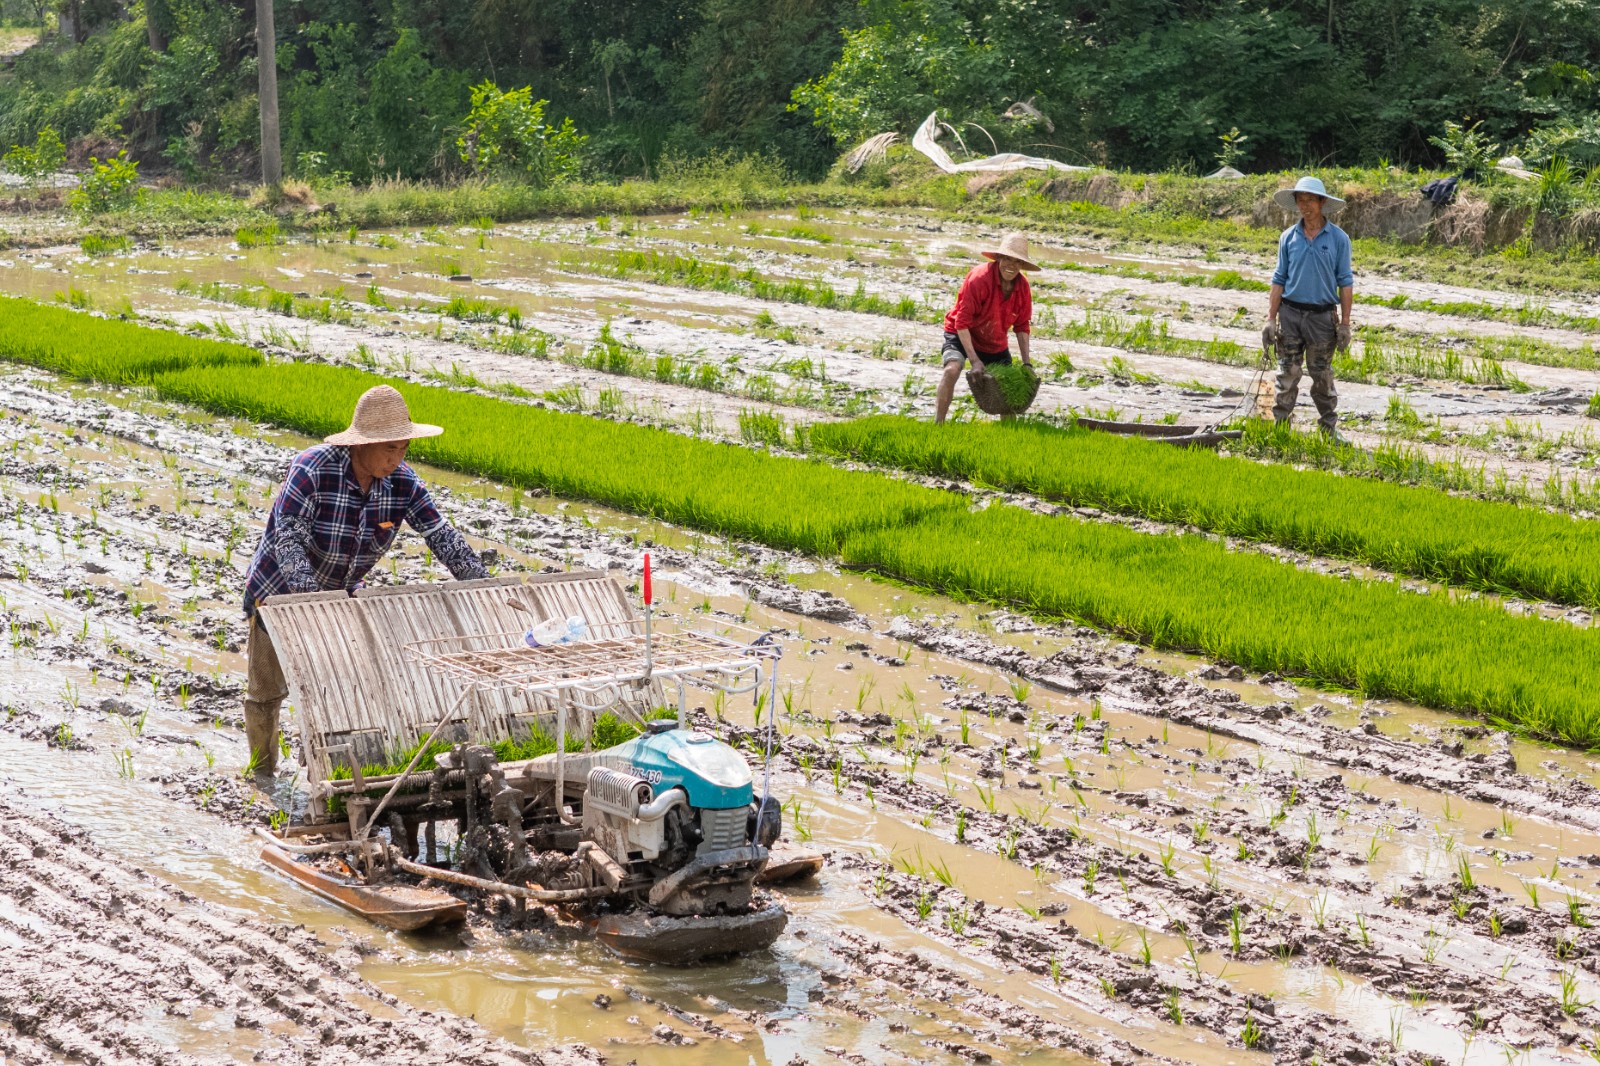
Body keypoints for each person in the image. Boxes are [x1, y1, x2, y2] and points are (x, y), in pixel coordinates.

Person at [240, 385, 489, 781]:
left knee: (335, 684)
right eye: (389, 448)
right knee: (267, 691)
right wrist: (313, 603)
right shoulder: (313, 469)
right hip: (280, 593)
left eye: (403, 449)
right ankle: (262, 773)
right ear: (362, 444)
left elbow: (440, 535)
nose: (396, 458)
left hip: (340, 594)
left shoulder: (403, 483)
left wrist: (482, 584)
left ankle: (327, 771)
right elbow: (286, 539)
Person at [1267, 176, 1354, 436]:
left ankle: (1328, 428)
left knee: (1321, 375)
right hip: (1291, 314)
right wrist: (1271, 318)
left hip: (1322, 317)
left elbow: (1345, 282)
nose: (1305, 206)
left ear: (1322, 202)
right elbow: (1278, 279)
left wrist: (1346, 324)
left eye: (1310, 200)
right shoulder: (1288, 238)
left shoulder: (1338, 239)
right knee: (1287, 373)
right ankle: (1281, 428)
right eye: (1300, 200)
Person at [935, 232, 1038, 424]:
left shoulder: (1022, 288)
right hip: (962, 333)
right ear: (998, 258)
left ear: (1022, 266)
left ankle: (1009, 433)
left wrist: (1027, 364)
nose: (1011, 265)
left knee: (1008, 384)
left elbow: (1022, 326)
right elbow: (962, 322)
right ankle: (938, 424)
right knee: (951, 370)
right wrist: (974, 360)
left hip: (994, 340)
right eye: (1007, 259)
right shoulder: (979, 279)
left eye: (1017, 262)